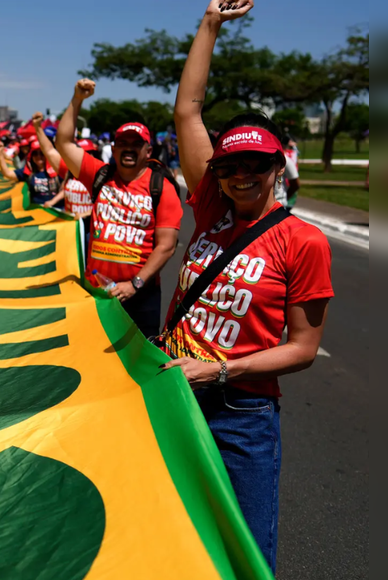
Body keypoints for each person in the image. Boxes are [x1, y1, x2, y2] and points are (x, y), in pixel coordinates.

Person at [166, 2, 333, 572]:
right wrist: (210, 24)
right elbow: (188, 112)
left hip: (241, 411)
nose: (242, 175)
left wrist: (219, 370)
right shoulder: (211, 207)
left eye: (255, 166)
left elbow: (303, 349)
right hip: (173, 394)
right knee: (173, 532)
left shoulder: (303, 241)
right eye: (230, 165)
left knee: (244, 551)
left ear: (276, 168)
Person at [56, 79, 183, 338]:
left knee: (137, 364)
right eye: (123, 143)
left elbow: (166, 245)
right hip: (96, 292)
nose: (129, 148)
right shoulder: (99, 175)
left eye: (136, 144)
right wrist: (77, 99)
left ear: (148, 150)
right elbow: (64, 142)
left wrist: (134, 284)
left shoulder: (161, 186)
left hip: (140, 294)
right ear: (113, 149)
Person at [31, 112, 95, 220]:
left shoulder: (102, 175)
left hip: (91, 227)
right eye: (82, 152)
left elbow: (108, 204)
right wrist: (38, 127)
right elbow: (49, 151)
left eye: (89, 153)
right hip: (70, 225)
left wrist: (86, 214)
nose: (85, 156)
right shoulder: (70, 170)